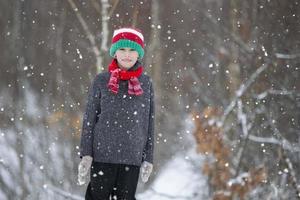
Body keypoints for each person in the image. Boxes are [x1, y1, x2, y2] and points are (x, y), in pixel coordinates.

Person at [77, 27, 155, 200]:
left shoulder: (146, 83)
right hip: (102, 155)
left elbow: (149, 122)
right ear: (115, 52)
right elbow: (89, 119)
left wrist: (148, 157)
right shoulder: (101, 81)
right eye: (122, 49)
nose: (127, 55)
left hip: (132, 157)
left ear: (139, 54)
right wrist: (86, 154)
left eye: (132, 50)